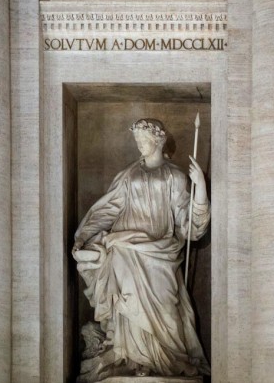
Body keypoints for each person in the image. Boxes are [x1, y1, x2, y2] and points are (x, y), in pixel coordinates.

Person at [73, 118, 210, 382]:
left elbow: (190, 225)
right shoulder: (128, 176)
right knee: (127, 304)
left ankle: (168, 361)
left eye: (144, 141)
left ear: (158, 141)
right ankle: (133, 359)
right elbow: (108, 209)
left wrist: (200, 188)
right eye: (137, 141)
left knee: (168, 311)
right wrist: (85, 235)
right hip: (125, 248)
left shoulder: (175, 176)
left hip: (161, 252)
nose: (140, 146)